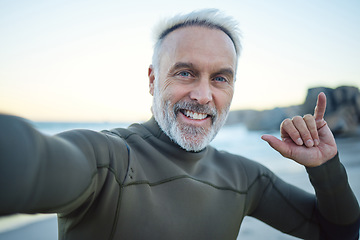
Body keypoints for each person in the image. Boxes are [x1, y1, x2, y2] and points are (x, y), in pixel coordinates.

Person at [0, 8, 359, 240]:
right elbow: (33, 162)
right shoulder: (106, 160)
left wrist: (326, 168)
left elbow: (338, 231)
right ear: (154, 80)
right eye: (185, 72)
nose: (203, 95)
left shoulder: (245, 178)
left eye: (220, 78)